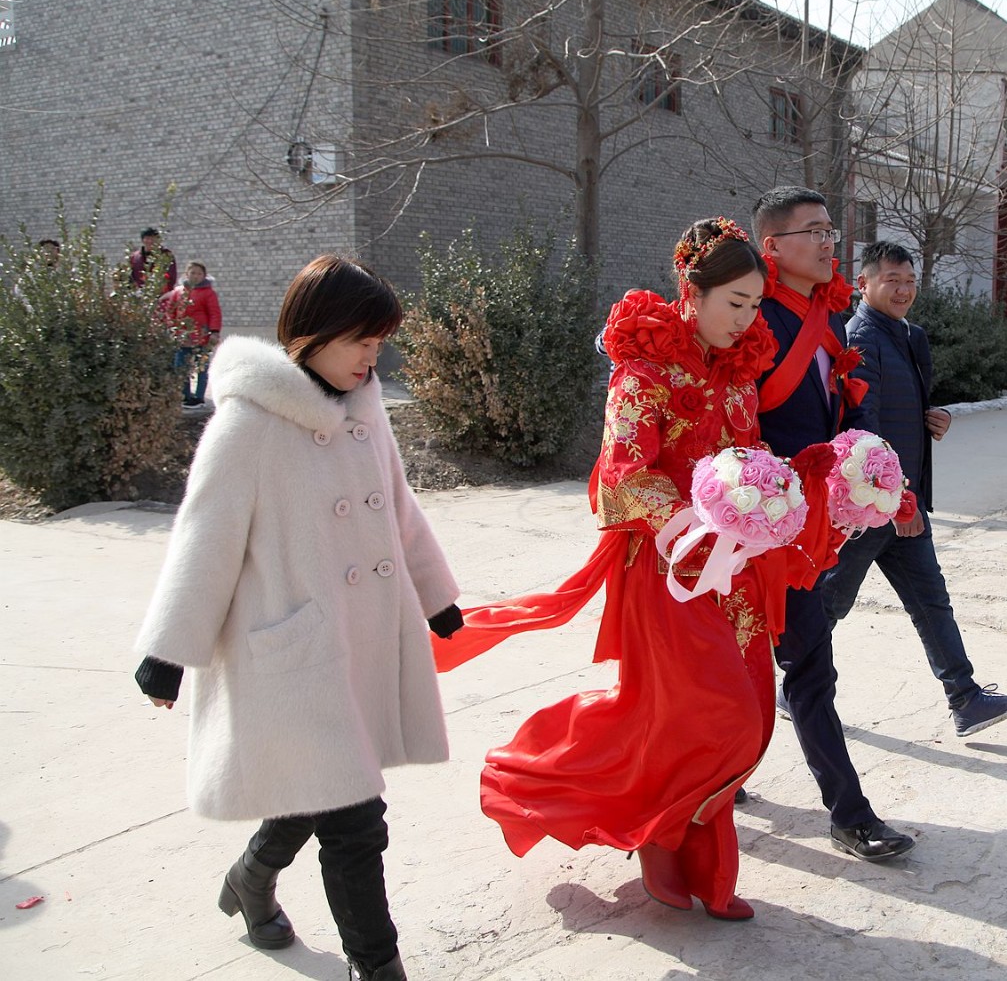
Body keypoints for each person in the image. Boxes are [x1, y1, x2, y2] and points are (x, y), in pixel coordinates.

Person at [429, 217, 825, 922]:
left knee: (745, 713)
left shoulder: (737, 372)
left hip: (731, 576)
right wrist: (696, 525)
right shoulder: (643, 373)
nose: (746, 320)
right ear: (691, 292)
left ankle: (690, 857)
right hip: (664, 571)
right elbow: (620, 478)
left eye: (755, 306)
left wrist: (788, 489)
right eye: (734, 303)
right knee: (715, 715)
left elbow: (746, 461)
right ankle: (571, 787)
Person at [133, 255, 463, 981]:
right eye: (360, 342)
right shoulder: (249, 425)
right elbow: (204, 539)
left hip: (361, 641)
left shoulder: (366, 412)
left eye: (380, 345)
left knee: (324, 787)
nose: (372, 359)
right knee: (355, 819)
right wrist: (167, 653)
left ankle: (251, 879)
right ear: (311, 333)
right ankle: (376, 968)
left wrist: (436, 596)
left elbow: (398, 511)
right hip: (294, 653)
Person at [753, 186, 916, 862]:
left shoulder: (824, 321)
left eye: (831, 230)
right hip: (752, 522)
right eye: (814, 231)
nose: (829, 242)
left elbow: (844, 410)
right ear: (773, 248)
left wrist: (877, 475)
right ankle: (717, 774)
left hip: (806, 529)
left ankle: (847, 814)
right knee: (747, 668)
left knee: (809, 667)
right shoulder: (752, 319)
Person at [820, 240, 1007, 736]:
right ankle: (789, 686)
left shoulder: (905, 335)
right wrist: (897, 502)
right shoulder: (862, 339)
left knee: (931, 601)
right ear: (864, 284)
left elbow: (891, 410)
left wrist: (927, 418)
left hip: (898, 500)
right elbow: (862, 429)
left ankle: (965, 698)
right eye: (892, 280)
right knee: (829, 604)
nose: (903, 290)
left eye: (910, 281)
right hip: (874, 506)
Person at [160, 260, 223, 408]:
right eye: (192, 273)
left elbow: (215, 313)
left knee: (201, 367)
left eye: (199, 273)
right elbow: (170, 312)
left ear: (204, 276)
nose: (195, 276)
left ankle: (199, 397)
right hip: (182, 337)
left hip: (202, 336)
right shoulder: (178, 292)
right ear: (186, 274)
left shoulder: (208, 293)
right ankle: (185, 395)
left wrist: (214, 332)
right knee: (181, 366)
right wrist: (172, 328)